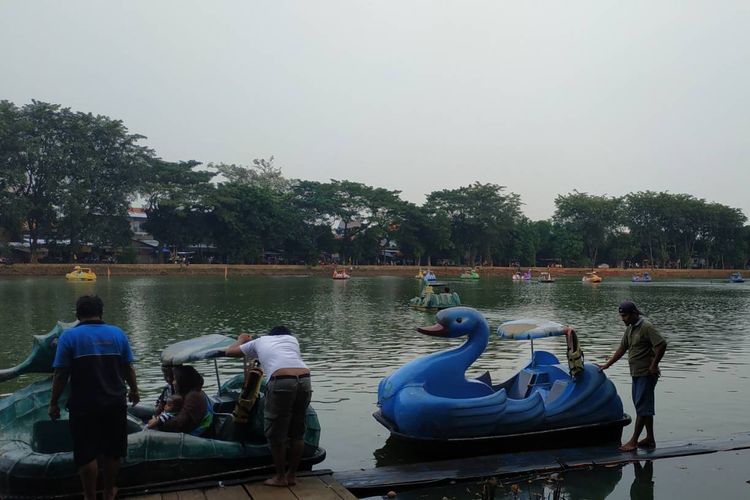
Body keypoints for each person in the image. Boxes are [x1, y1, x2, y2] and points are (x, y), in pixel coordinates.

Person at [48, 295, 139, 500]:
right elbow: (128, 368)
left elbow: (60, 374)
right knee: (112, 450)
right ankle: (108, 492)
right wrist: (134, 391)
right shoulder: (118, 334)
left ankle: (90, 496)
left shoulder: (69, 337)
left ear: (78, 314)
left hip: (83, 405)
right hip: (115, 402)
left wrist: (53, 403)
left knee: (86, 452)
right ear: (101, 312)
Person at [223, 326, 312, 487]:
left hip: (282, 380)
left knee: (275, 433)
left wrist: (241, 340)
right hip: (305, 379)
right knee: (298, 432)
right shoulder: (293, 340)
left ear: (269, 335)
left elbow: (230, 352)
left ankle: (280, 477)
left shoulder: (260, 341)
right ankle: (291, 475)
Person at [597, 300, 667, 452]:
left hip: (646, 374)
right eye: (621, 316)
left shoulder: (646, 327)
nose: (623, 319)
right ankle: (650, 438)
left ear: (634, 314)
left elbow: (661, 344)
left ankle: (633, 441)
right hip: (636, 373)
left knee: (642, 407)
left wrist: (654, 365)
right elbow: (623, 348)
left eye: (626, 316)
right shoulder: (630, 329)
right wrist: (607, 365)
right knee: (643, 406)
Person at [155, 365, 214, 436]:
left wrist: (159, 423)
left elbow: (181, 422)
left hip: (197, 437)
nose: (173, 382)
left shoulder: (194, 396)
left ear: (183, 380)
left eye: (175, 379)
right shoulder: (188, 392)